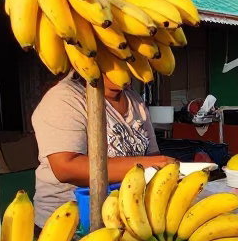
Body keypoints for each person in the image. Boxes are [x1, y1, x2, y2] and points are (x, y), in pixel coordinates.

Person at [31, 71, 174, 228]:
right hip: (70, 224)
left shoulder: (134, 100)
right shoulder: (65, 98)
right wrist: (150, 165)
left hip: (126, 217)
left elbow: (152, 156)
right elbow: (66, 167)